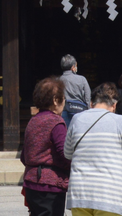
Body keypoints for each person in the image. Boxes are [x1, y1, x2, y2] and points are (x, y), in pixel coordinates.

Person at [64, 82, 122, 216]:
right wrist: (121, 153)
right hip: (109, 194)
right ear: (114, 105)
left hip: (80, 193)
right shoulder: (120, 121)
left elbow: (67, 153)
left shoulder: (77, 119)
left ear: (91, 103)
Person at [22, 77, 70, 216]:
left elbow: (25, 155)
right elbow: (65, 154)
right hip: (50, 185)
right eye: (63, 98)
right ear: (55, 100)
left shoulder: (33, 121)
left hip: (31, 182)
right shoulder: (56, 122)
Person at [60, 54, 92, 126]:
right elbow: (87, 97)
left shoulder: (59, 80)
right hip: (80, 111)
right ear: (73, 67)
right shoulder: (82, 79)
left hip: (65, 111)